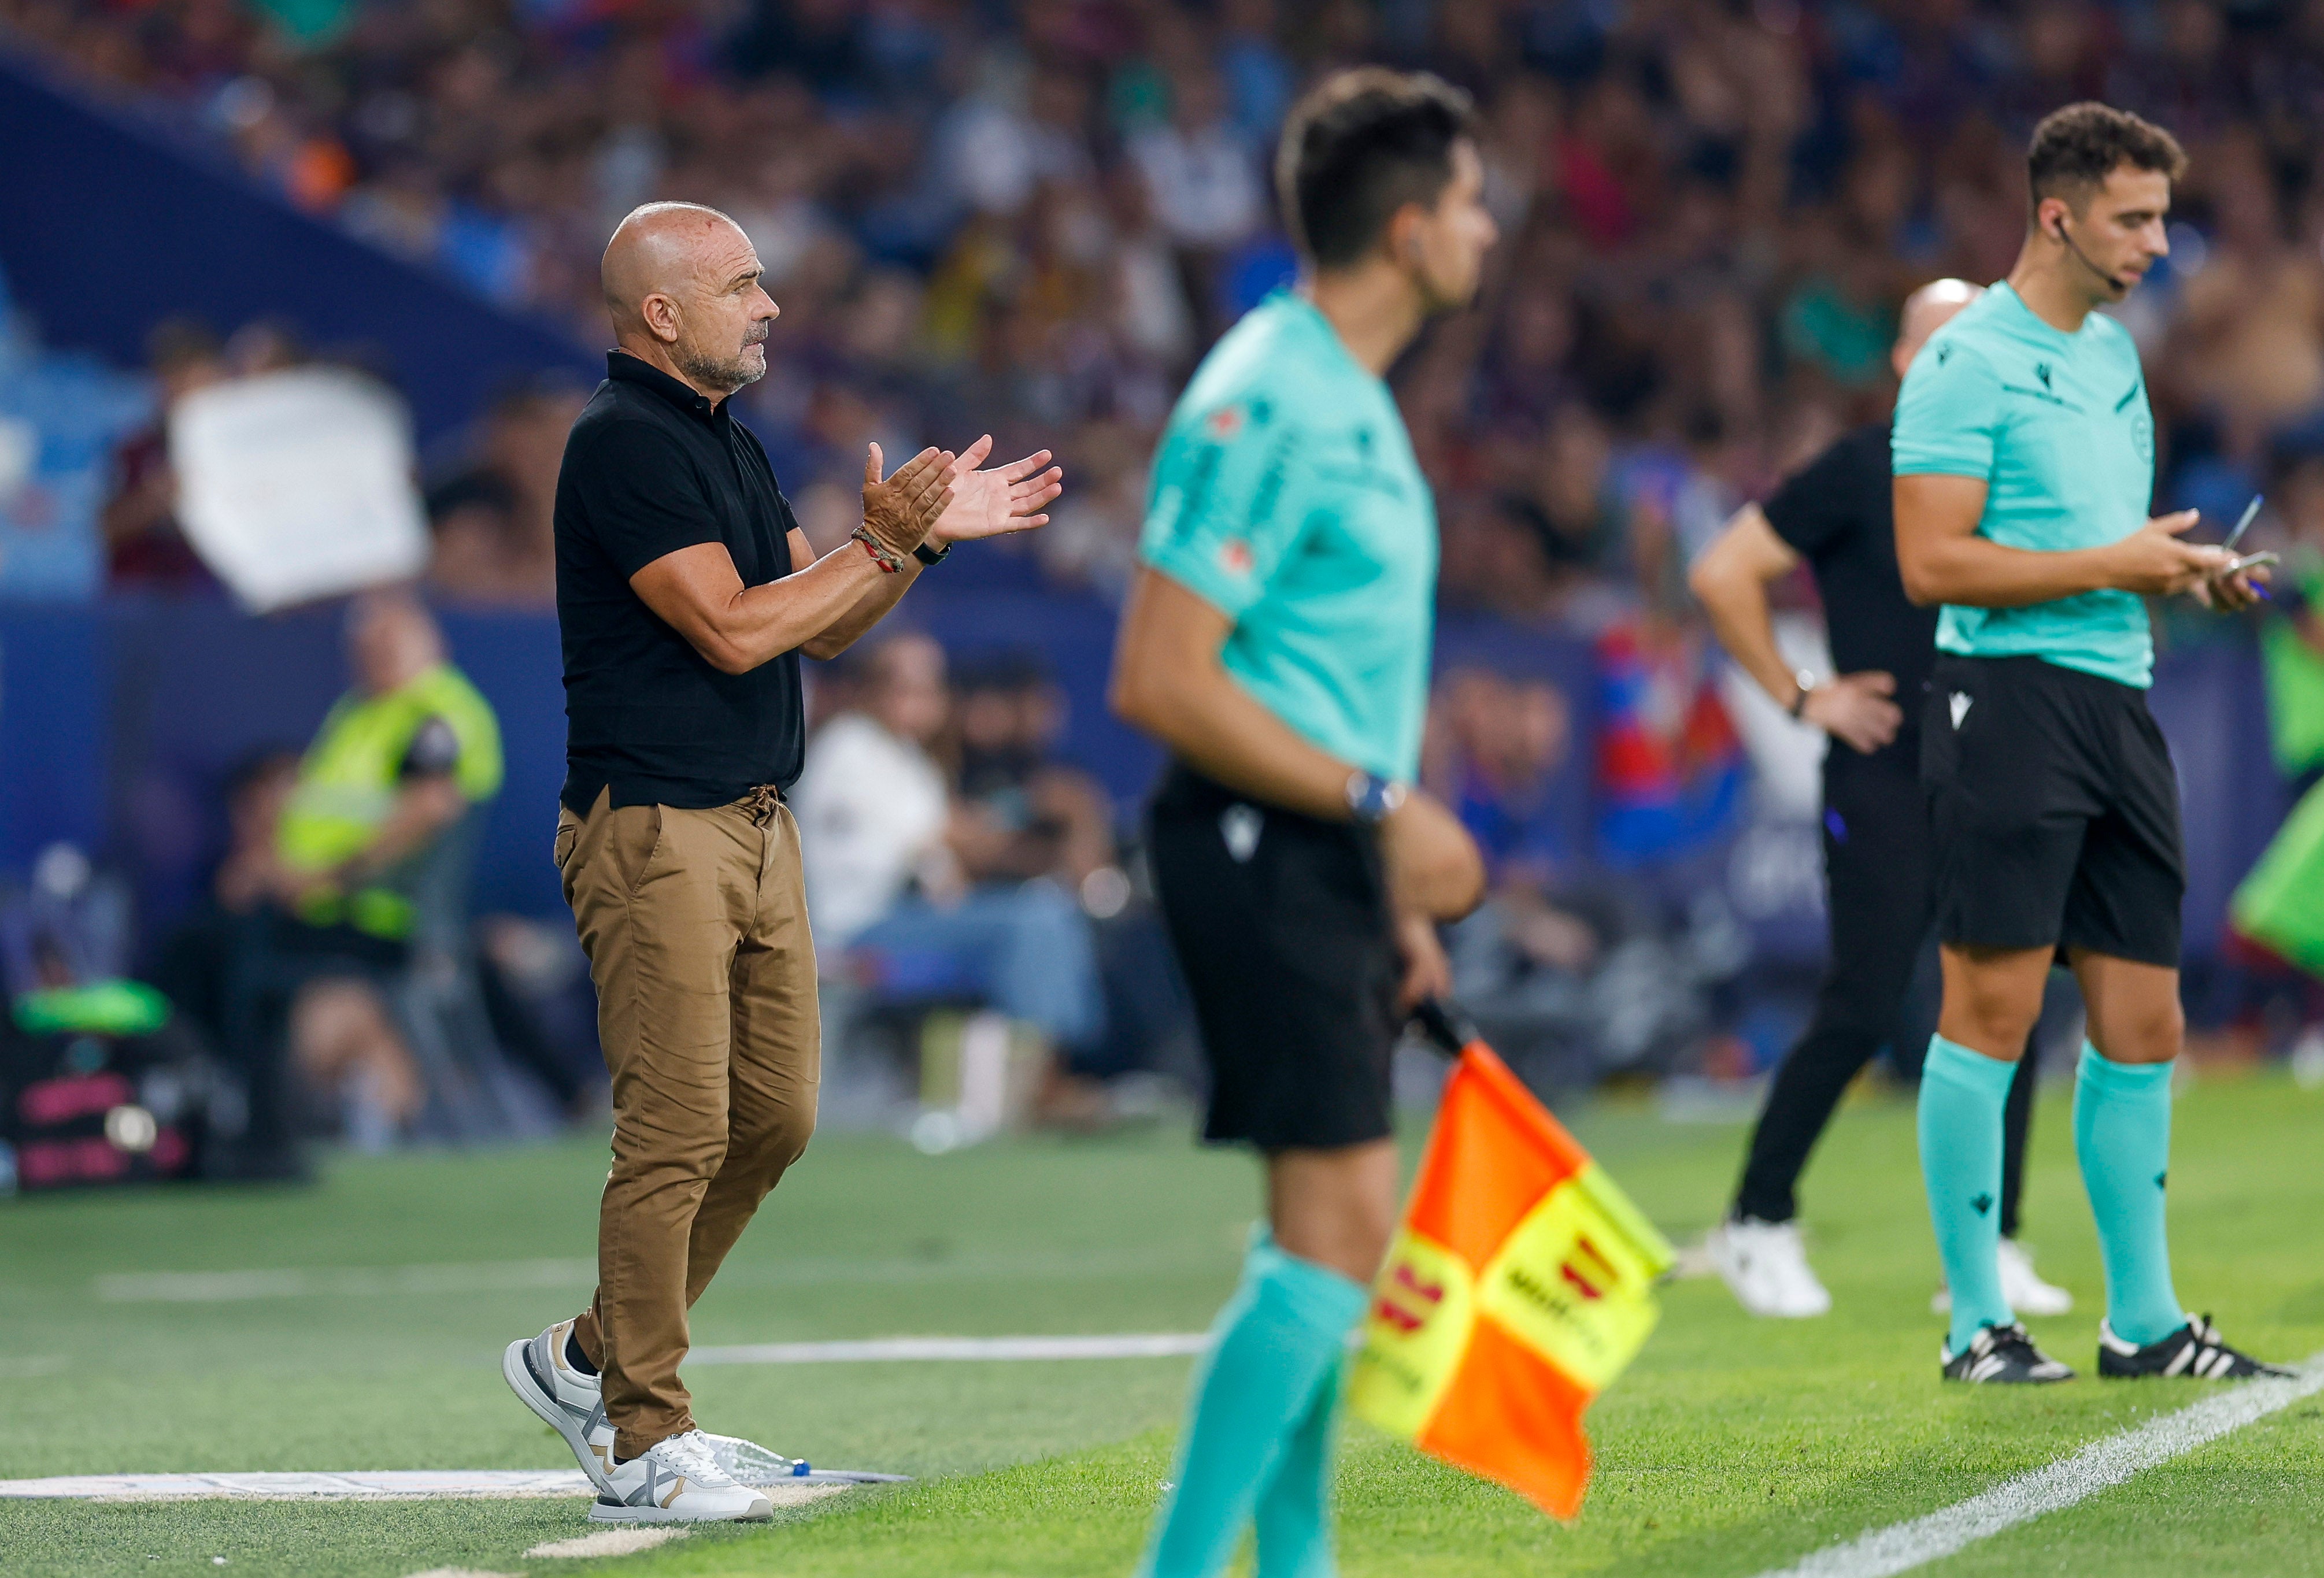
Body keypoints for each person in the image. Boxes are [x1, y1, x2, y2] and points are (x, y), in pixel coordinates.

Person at [501, 199, 1064, 1524]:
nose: (767, 307)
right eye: (743, 287)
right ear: (662, 311)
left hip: (755, 824)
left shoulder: (723, 443)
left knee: (776, 1120)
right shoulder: (622, 444)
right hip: (657, 829)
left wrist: (913, 543)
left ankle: (589, 1362)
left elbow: (823, 624)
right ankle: (644, 1440)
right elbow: (740, 633)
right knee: (679, 1130)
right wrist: (880, 545)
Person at [1109, 70, 1493, 1577]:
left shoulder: (1345, 391)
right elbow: (1159, 674)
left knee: (1328, 1241)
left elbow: (1325, 677)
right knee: (1335, 1248)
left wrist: (1388, 891)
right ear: (1406, 231)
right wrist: (1380, 812)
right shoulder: (1266, 390)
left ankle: (1296, 1566)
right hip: (1263, 840)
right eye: (1467, 202)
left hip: (1322, 853)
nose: (1486, 228)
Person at [1892, 103, 2288, 1384]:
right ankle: (1974, 1326)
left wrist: (2182, 572)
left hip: (2120, 700)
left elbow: (2094, 548)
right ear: (2057, 214)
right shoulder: (1965, 361)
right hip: (2006, 702)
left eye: (2163, 217)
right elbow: (1930, 562)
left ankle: (2146, 1324)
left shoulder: (2116, 356)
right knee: (1994, 1009)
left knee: (2148, 1022)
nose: (2160, 244)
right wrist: (2116, 561)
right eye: (2135, 218)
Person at [1690, 281, 2074, 1321]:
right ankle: (1758, 1219)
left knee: (2006, 1000)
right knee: (1864, 1000)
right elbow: (1725, 571)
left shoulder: (2009, 473)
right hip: (1885, 770)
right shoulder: (1862, 468)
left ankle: (1989, 1249)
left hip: (1989, 766)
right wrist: (1803, 694)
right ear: (1904, 362)